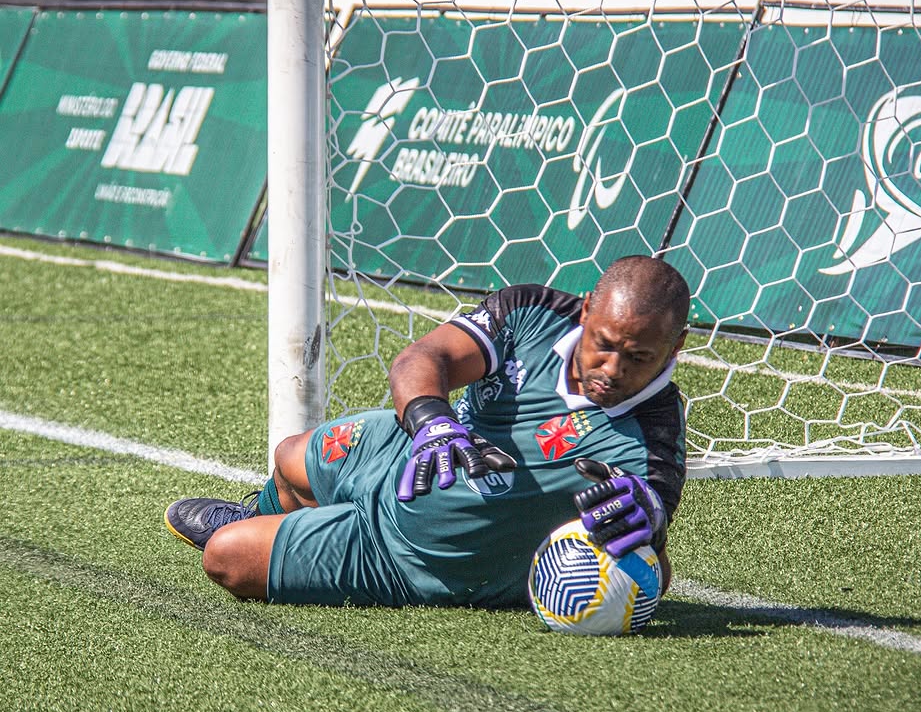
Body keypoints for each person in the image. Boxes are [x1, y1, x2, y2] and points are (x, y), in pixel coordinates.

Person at [165, 255, 690, 609]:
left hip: (410, 559)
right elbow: (425, 357)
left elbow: (655, 568)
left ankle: (309, 531)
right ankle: (266, 515)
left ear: (676, 346)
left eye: (639, 357)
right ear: (586, 309)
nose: (613, 369)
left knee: (226, 556)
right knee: (290, 455)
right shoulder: (531, 313)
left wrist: (648, 528)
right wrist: (432, 424)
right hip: (413, 453)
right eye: (604, 344)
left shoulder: (654, 434)